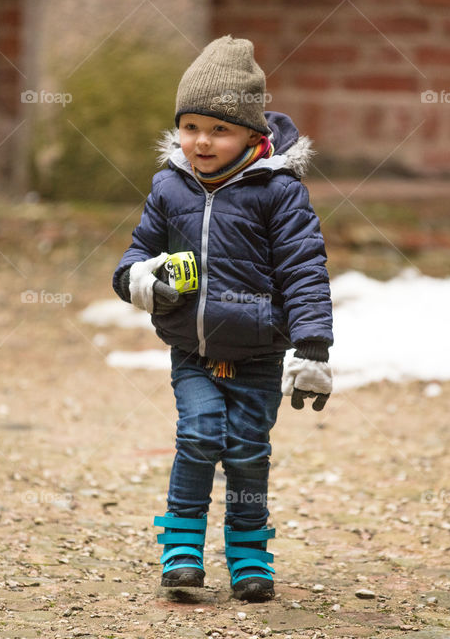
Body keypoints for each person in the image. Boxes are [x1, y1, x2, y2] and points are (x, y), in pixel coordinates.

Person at [111, 35, 333, 602]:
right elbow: (134, 257)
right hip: (193, 348)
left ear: (253, 136)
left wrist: (312, 350)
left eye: (219, 129)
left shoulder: (279, 193)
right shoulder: (169, 186)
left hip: (259, 351)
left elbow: (305, 272)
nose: (201, 142)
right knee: (200, 434)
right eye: (190, 127)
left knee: (247, 450)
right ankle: (181, 548)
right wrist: (143, 282)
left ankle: (249, 553)